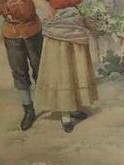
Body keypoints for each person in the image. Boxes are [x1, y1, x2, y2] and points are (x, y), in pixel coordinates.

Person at [35, 0, 98, 132]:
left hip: (76, 26)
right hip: (57, 26)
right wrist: (48, 12)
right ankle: (65, 114)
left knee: (76, 67)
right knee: (62, 69)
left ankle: (73, 107)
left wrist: (86, 13)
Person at [0, 0, 43, 130]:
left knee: (41, 69)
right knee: (19, 72)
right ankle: (28, 110)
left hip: (33, 29)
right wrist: (5, 6)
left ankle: (55, 103)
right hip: (12, 33)